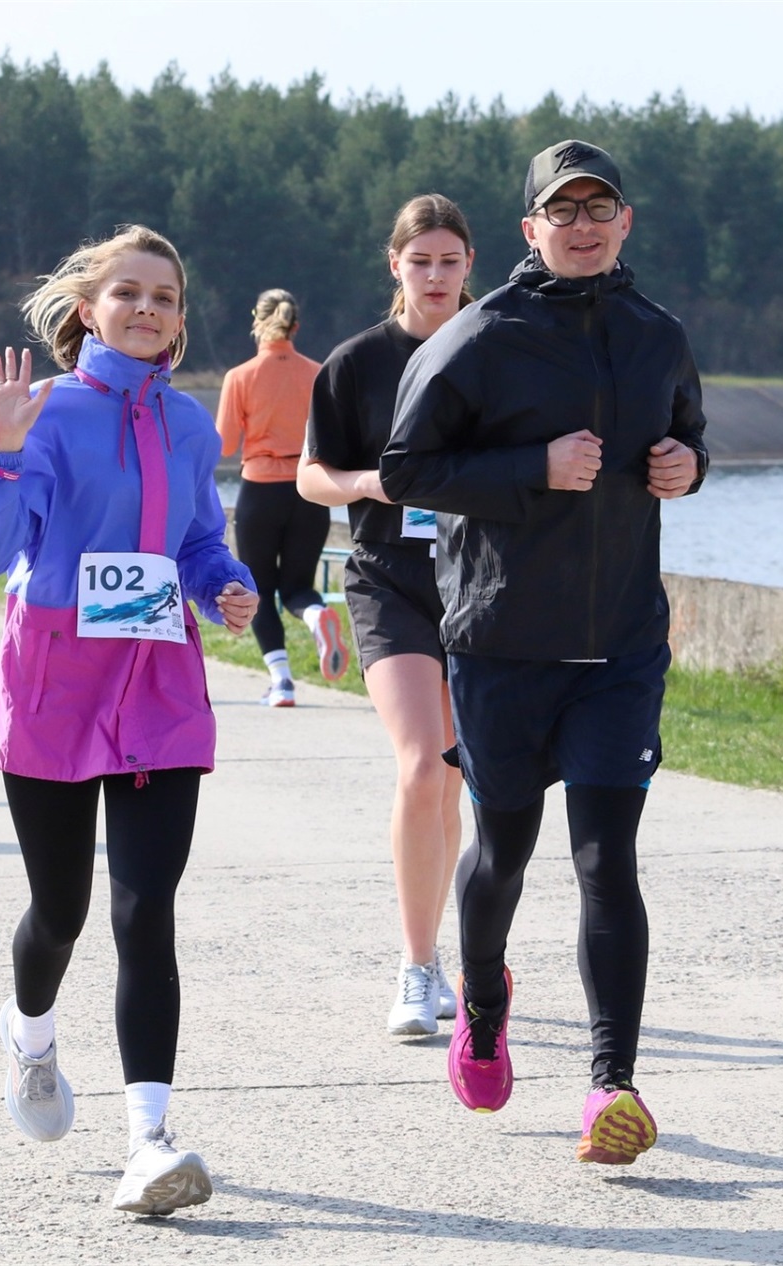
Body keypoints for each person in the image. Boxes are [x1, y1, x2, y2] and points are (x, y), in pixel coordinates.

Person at [381, 141, 708, 1165]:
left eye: (598, 208)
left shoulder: (658, 335)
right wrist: (535, 466)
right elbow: (404, 468)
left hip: (618, 645)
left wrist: (686, 467)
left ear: (624, 223)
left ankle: (613, 1086)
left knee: (608, 860)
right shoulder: (482, 336)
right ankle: (482, 1000)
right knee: (504, 856)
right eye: (560, 211)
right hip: (501, 646)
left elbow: (693, 440)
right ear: (529, 231)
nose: (581, 224)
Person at [0, 225, 259, 1217]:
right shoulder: (41, 412)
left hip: (158, 689)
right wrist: (6, 448)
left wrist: (228, 585)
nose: (148, 309)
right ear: (89, 310)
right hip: (54, 687)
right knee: (62, 911)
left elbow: (198, 540)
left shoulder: (190, 425)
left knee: (143, 912)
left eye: (165, 296)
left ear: (180, 320)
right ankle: (29, 1032)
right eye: (129, 293)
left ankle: (148, 1142)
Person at [299, 195, 476, 1037]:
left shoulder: (500, 346)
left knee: (455, 776)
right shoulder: (355, 362)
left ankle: (448, 954)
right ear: (394, 264)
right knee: (419, 765)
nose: (435, 276)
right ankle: (415, 968)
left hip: (481, 583)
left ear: (469, 264)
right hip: (387, 580)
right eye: (421, 261)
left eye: (449, 261)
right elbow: (309, 476)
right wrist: (366, 484)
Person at [216, 289, 341, 706]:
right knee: (297, 588)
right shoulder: (318, 372)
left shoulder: (241, 376)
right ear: (296, 327)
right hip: (309, 489)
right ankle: (315, 615)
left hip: (259, 490)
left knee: (259, 589)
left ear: (257, 322)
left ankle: (282, 682)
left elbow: (226, 445)